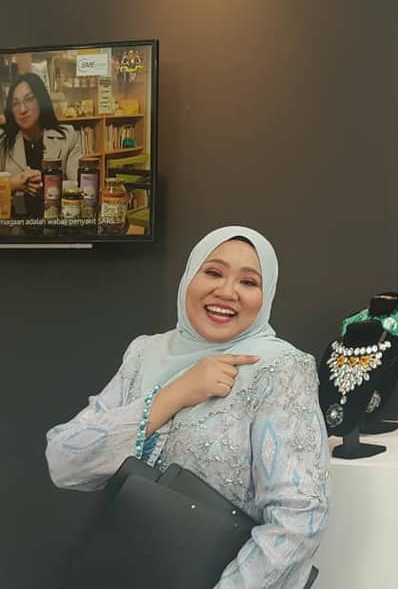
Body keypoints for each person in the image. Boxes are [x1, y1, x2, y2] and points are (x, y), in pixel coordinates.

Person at [46, 226, 329, 588]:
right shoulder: (144, 354)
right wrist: (174, 394)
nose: (226, 291)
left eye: (248, 282)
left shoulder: (278, 367)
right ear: (189, 277)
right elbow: (65, 463)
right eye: (213, 272)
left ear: (266, 295)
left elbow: (301, 515)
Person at [0, 72, 80, 216]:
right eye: (16, 103)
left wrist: (48, 183)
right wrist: (14, 183)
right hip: (16, 224)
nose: (22, 109)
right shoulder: (3, 141)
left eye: (29, 99)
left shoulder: (68, 136)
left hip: (58, 222)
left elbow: (80, 185)